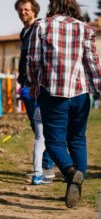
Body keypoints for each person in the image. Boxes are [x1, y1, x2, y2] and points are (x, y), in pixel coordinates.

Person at [27, 0, 101, 208]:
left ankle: (70, 172)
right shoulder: (84, 29)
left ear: (53, 5)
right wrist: (98, 90)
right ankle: (76, 184)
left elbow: (33, 60)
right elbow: (93, 65)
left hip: (53, 94)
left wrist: (33, 84)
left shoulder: (41, 26)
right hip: (80, 94)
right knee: (78, 139)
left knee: (54, 142)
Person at [15, 0, 54, 185]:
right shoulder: (24, 32)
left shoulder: (39, 28)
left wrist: (35, 83)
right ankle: (45, 167)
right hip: (26, 86)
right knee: (36, 127)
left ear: (34, 11)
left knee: (43, 129)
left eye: (26, 9)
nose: (23, 12)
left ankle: (46, 168)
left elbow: (38, 59)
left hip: (37, 86)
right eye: (20, 9)